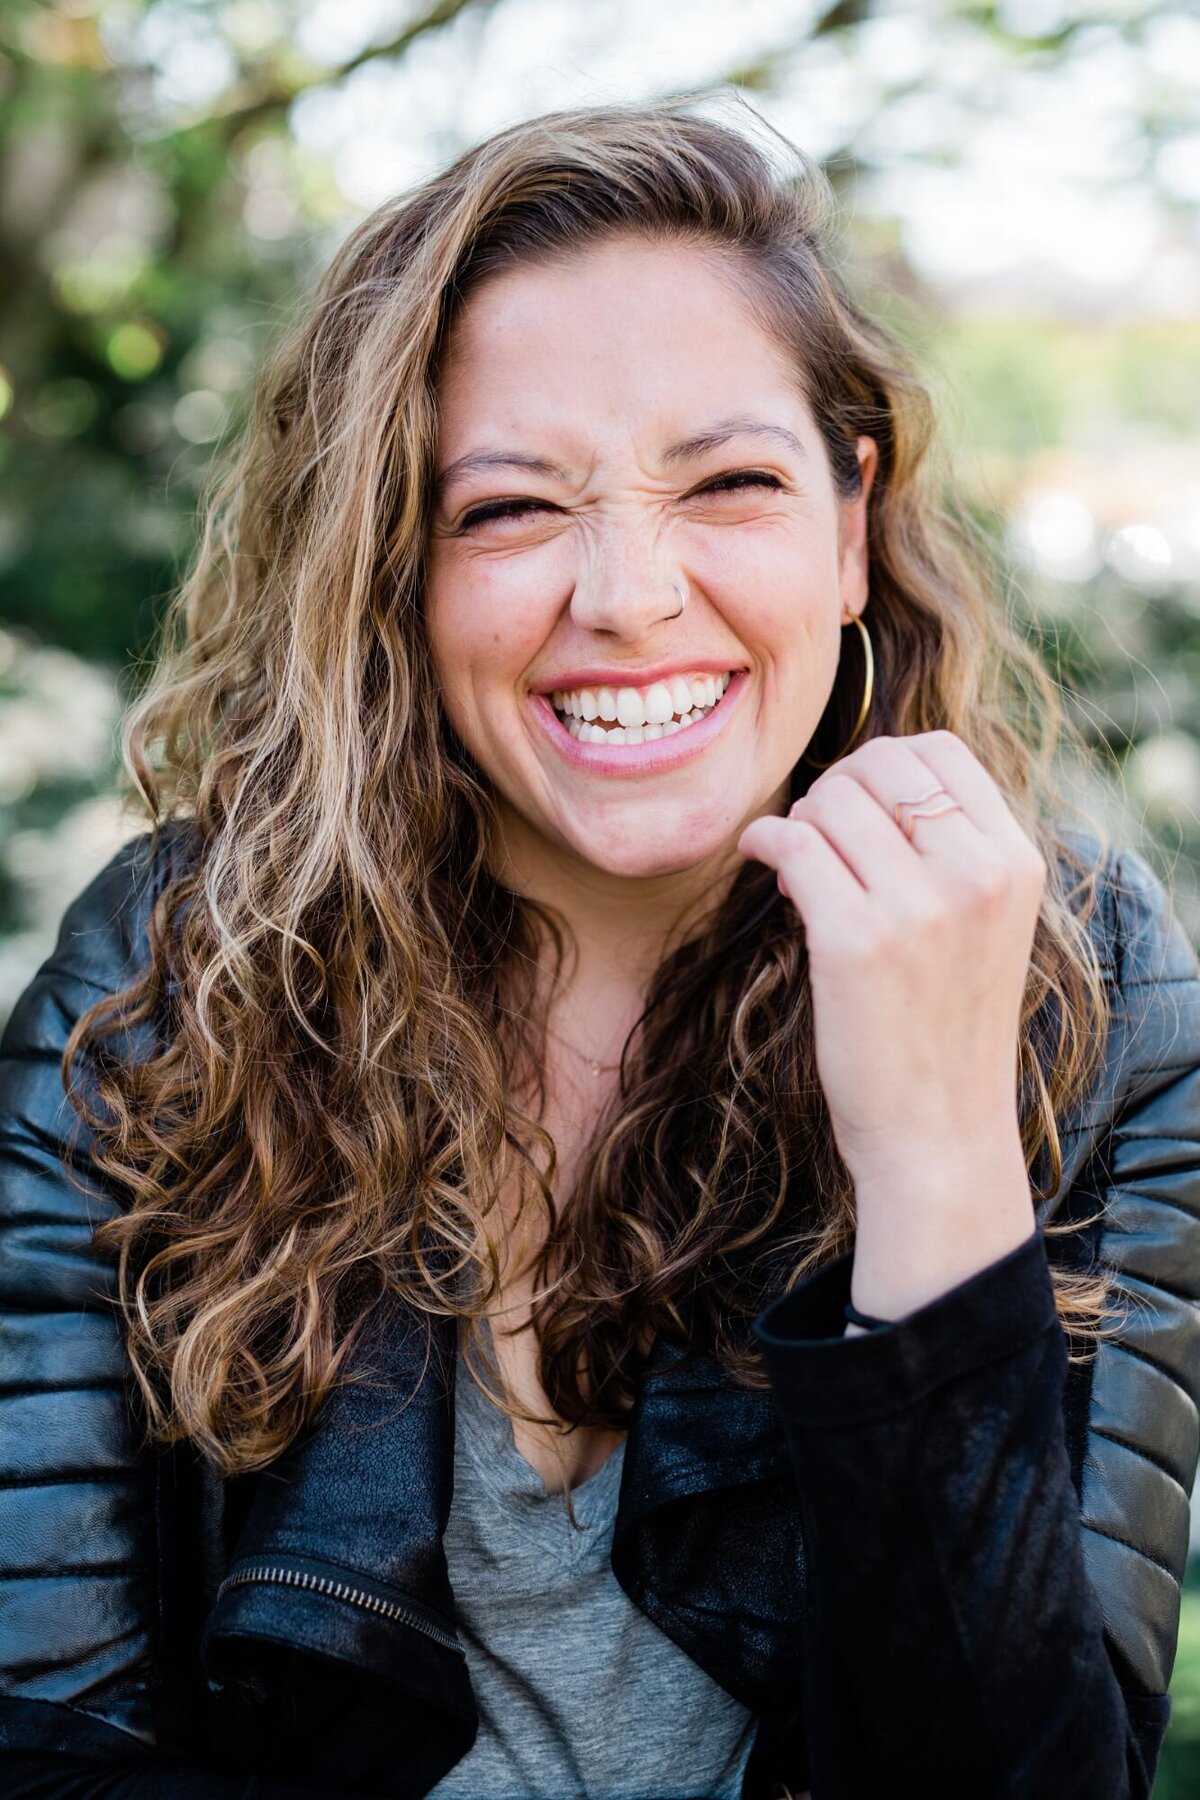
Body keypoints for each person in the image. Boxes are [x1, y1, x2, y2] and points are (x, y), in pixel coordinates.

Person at [0, 95, 1198, 1800]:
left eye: (729, 482)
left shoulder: (1088, 990)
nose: (630, 595)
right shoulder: (168, 973)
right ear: (388, 572)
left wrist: (937, 1157)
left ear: (851, 529)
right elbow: (48, 1735)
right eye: (507, 511)